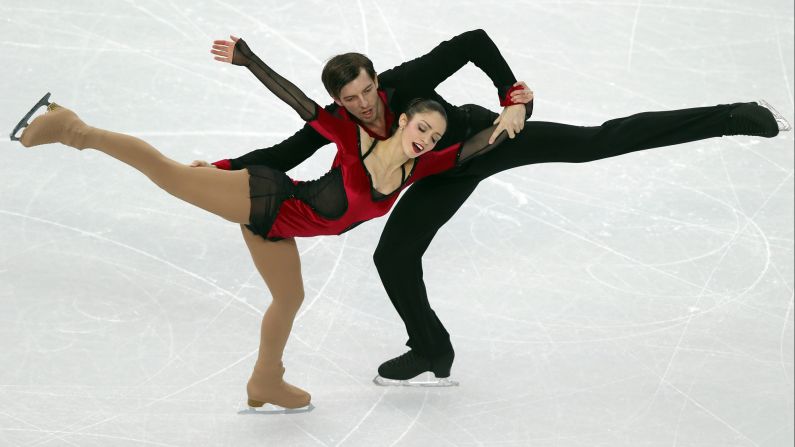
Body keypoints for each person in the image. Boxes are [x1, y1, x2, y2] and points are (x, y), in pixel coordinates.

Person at [200, 31, 790, 387]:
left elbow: (473, 41)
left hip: (487, 138)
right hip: (436, 175)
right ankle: (431, 348)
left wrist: (511, 99)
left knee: (593, 142)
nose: (360, 106)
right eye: (347, 100)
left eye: (365, 92)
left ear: (379, 81)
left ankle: (731, 115)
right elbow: (288, 149)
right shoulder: (342, 124)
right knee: (393, 257)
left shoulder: (407, 83)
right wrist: (223, 169)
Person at [10, 36, 530, 410]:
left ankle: (266, 382)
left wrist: (509, 118)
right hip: (264, 198)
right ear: (403, 120)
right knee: (168, 174)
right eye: (420, 128)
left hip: (279, 229)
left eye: (433, 136)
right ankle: (71, 128)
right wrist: (248, 59)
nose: (425, 139)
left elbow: (472, 151)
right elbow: (298, 104)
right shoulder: (352, 140)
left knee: (288, 299)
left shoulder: (425, 163)